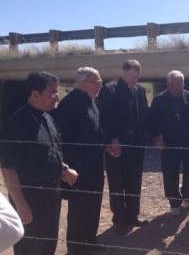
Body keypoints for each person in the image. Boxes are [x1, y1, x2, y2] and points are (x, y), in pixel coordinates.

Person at [0, 71, 78, 255]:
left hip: (52, 193)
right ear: (35, 94)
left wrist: (64, 169)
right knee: (30, 248)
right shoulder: (17, 124)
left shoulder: (47, 117)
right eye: (52, 93)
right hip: (30, 197)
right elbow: (8, 169)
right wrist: (21, 205)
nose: (57, 97)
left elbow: (50, 150)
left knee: (48, 243)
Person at [97, 60, 149, 235]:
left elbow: (143, 117)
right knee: (117, 183)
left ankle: (132, 215)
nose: (135, 80)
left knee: (134, 182)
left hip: (136, 145)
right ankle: (118, 219)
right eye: (133, 76)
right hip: (116, 145)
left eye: (137, 77)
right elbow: (103, 118)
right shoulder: (109, 90)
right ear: (124, 72)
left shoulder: (140, 90)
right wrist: (111, 140)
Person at [56, 67, 105, 254]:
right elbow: (62, 139)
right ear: (83, 84)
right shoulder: (69, 105)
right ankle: (76, 249)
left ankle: (90, 242)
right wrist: (67, 168)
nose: (101, 84)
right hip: (79, 168)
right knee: (79, 211)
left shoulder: (91, 101)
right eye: (97, 81)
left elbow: (95, 129)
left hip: (95, 166)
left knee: (93, 206)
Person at [149, 70, 189, 216]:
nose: (178, 88)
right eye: (175, 85)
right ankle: (174, 202)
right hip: (169, 142)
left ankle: (188, 197)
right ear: (168, 84)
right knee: (170, 173)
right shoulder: (159, 99)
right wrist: (156, 137)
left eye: (181, 85)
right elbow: (152, 122)